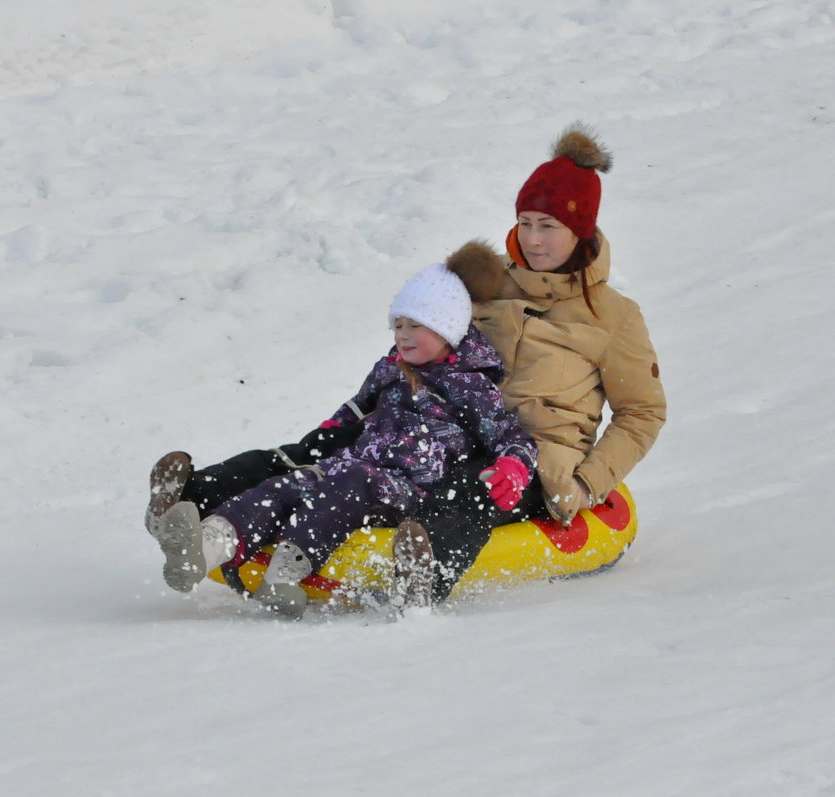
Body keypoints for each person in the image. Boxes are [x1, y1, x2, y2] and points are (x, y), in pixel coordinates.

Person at [146, 122, 666, 608]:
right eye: (525, 223)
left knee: (463, 489)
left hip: (531, 460)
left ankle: (424, 569)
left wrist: (583, 484)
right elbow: (429, 330)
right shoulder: (486, 284)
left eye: (547, 226)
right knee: (317, 454)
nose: (532, 239)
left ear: (581, 230)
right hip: (433, 424)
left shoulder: (614, 318)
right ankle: (188, 503)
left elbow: (641, 414)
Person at [152, 248, 539, 618]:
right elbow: (358, 406)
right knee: (286, 485)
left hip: (407, 488)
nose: (402, 335)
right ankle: (205, 547)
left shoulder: (469, 385)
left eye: (416, 326)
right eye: (398, 324)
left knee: (347, 481)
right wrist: (332, 430)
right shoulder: (391, 367)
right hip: (355, 466)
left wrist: (514, 466)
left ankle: (284, 574)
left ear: (447, 329)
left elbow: (510, 435)